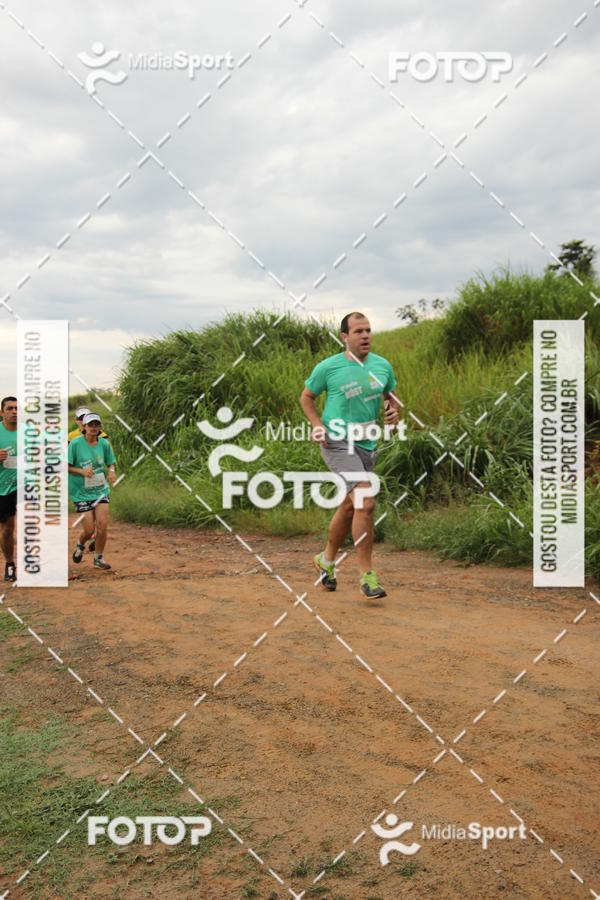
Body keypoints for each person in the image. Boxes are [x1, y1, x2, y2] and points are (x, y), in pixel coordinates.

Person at [300, 312, 400, 599]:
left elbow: (390, 395)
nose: (365, 335)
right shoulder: (328, 367)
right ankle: (367, 576)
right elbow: (306, 397)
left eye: (368, 330)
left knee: (349, 506)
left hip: (367, 444)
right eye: (358, 331)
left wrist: (392, 411)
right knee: (365, 501)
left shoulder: (382, 366)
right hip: (336, 441)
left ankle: (326, 560)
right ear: (344, 336)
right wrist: (317, 425)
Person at [68, 412, 116, 570]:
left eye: (97, 424)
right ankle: (80, 544)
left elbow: (111, 462)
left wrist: (111, 471)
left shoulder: (103, 444)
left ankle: (98, 558)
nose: (94, 427)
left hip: (100, 489)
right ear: (84, 427)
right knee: (89, 530)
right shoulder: (75, 444)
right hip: (81, 492)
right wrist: (82, 472)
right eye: (91, 425)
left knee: (102, 526)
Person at [0, 396, 18, 581]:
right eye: (10, 408)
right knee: (7, 528)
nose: (14, 412)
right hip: (3, 488)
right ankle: (10, 563)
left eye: (17, 408)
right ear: (2, 412)